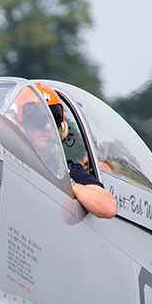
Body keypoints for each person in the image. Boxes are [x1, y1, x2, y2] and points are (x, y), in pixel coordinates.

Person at [26, 83, 118, 220]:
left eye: (53, 118)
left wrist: (67, 184)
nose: (46, 126)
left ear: (62, 129)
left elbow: (108, 207)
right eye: (37, 119)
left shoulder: (69, 170)